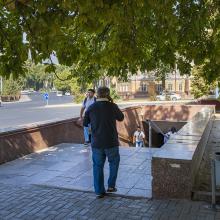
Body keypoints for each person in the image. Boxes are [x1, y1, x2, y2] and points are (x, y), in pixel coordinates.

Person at [83, 87, 124, 198]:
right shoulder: (113, 106)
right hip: (111, 142)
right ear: (108, 94)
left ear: (98, 95)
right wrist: (112, 103)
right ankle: (111, 186)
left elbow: (85, 123)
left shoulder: (91, 107)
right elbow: (121, 118)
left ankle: (99, 191)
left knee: (97, 166)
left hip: (96, 143)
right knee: (114, 163)